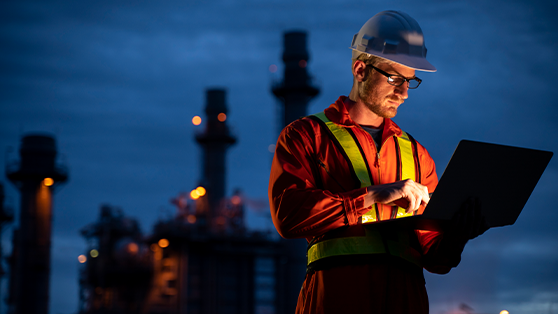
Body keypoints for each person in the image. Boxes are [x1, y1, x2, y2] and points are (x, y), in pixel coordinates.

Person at [268, 10, 487, 314]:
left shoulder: (418, 156)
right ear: (360, 70)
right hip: (335, 298)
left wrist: (458, 235)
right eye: (395, 78)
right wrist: (372, 196)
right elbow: (288, 215)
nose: (404, 93)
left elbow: (436, 260)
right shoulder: (306, 135)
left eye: (411, 82)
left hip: (404, 300)